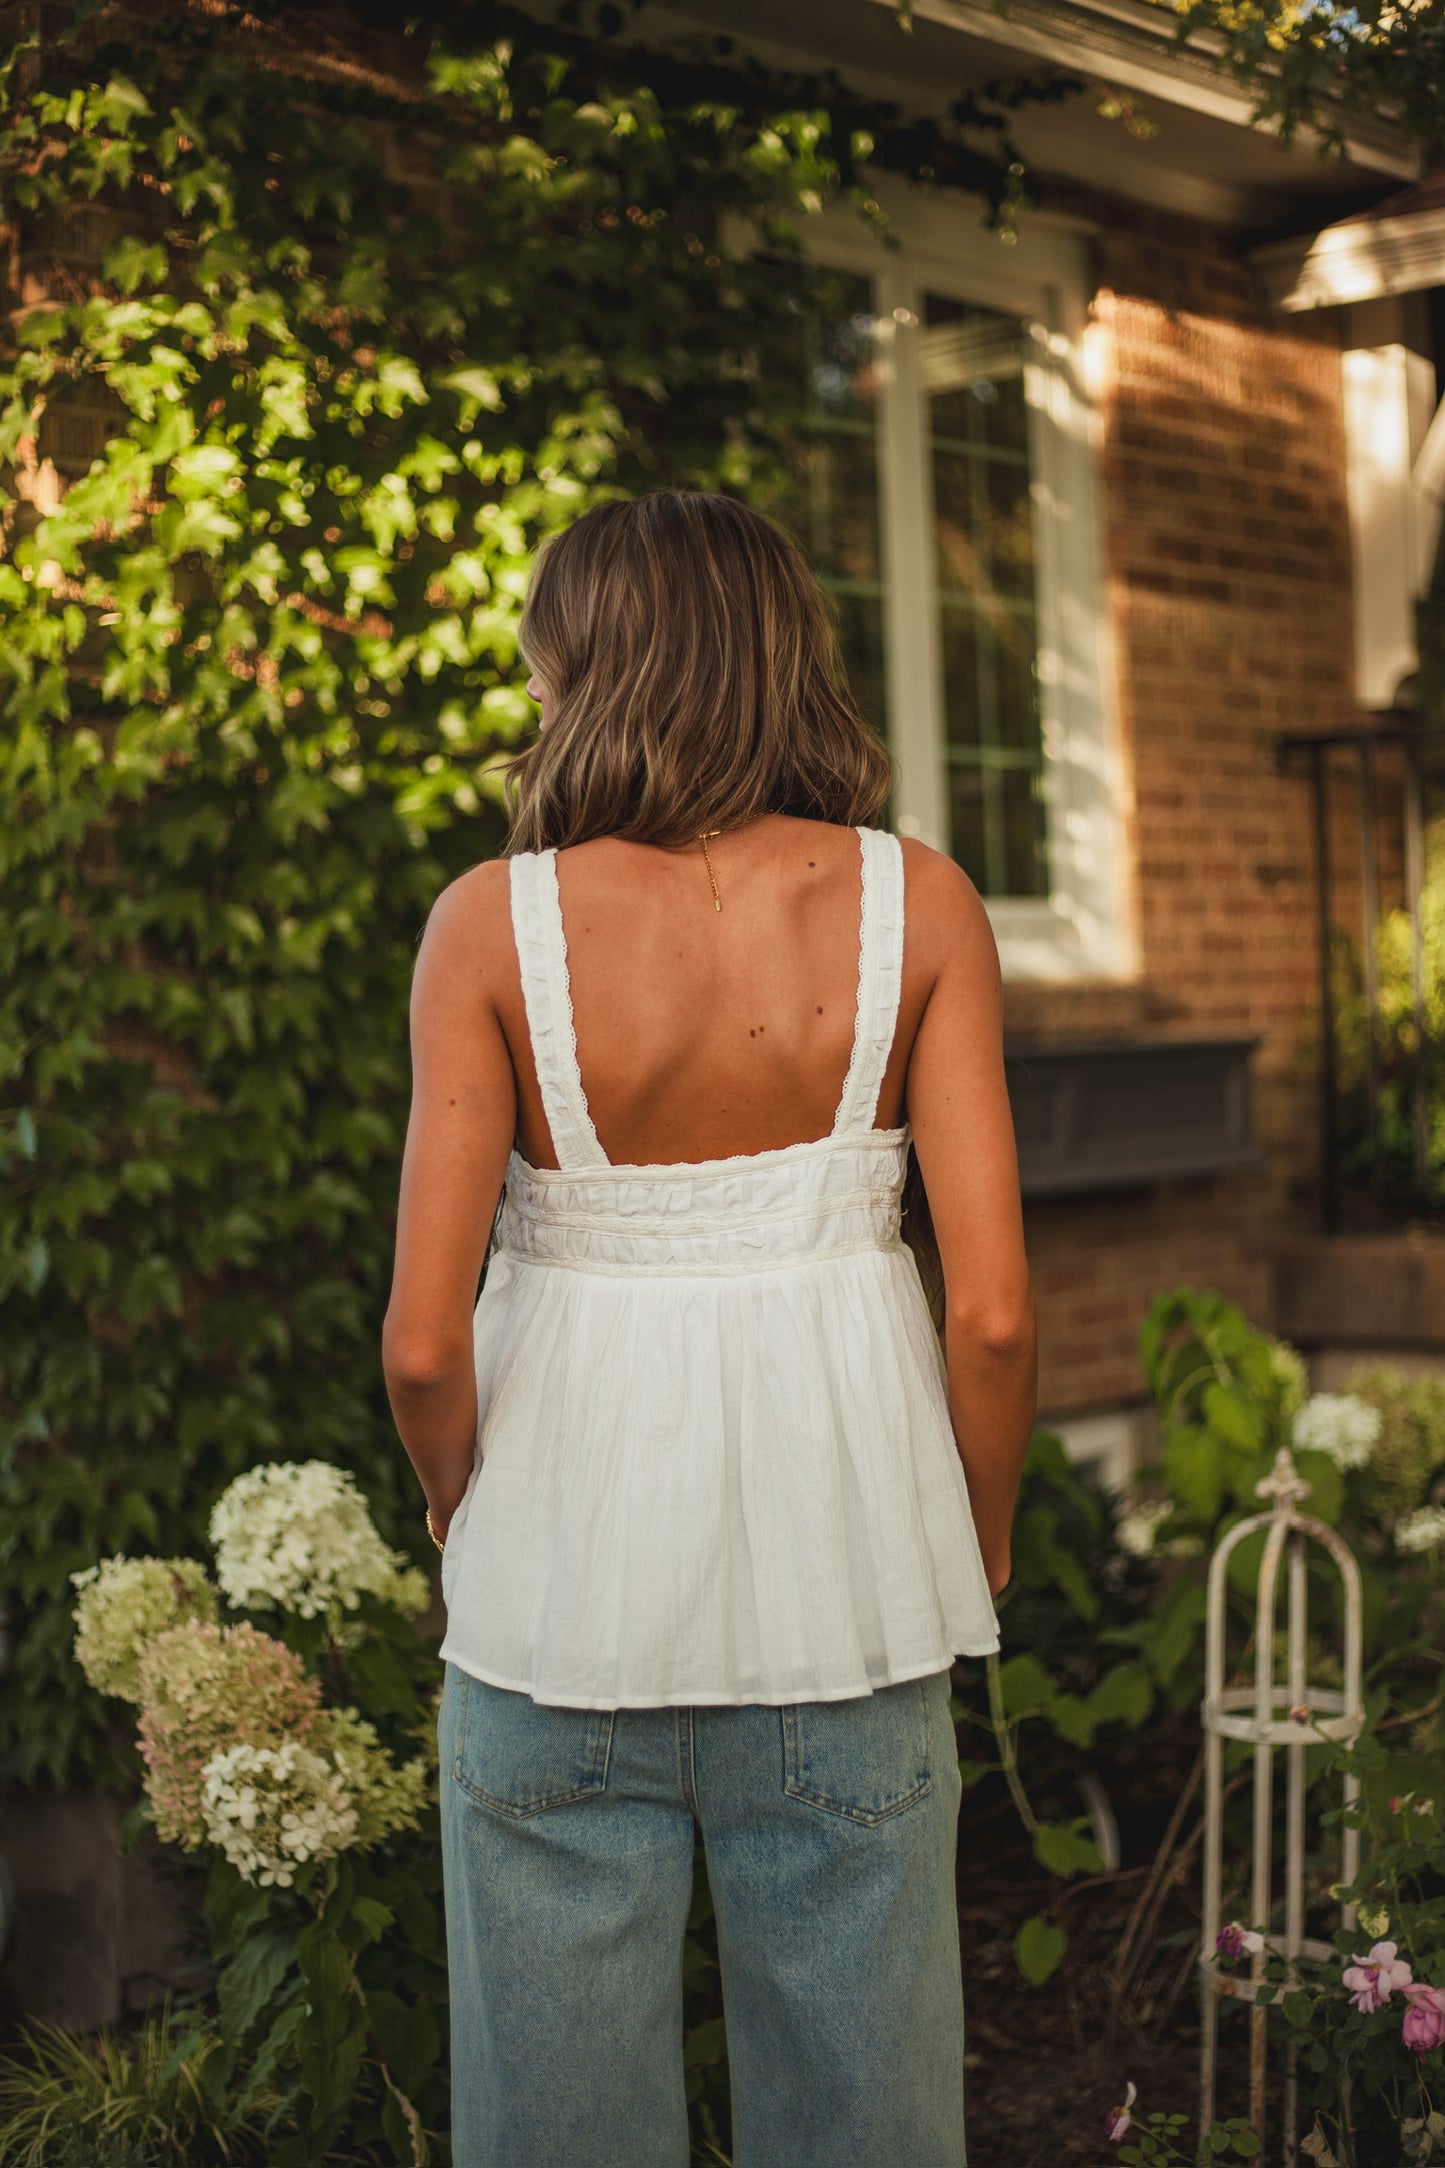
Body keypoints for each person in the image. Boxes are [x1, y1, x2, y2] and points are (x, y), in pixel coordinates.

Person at [382, 490, 1036, 2168]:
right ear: (782, 654)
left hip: (553, 1624)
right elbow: (994, 1309)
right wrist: (978, 1535)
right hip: (848, 1605)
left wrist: (463, 1504)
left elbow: (422, 1346)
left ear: (582, 667)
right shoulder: (922, 902)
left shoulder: (488, 923)